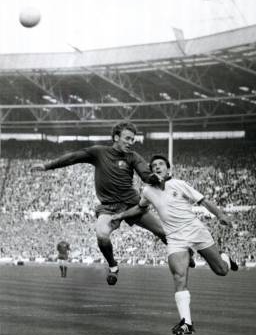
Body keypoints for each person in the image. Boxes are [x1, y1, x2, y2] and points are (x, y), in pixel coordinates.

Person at [31, 122, 192, 286]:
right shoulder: (99, 152)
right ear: (116, 137)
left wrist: (153, 178)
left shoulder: (132, 156)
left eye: (133, 139)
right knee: (101, 236)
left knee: (163, 232)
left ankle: (186, 254)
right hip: (108, 208)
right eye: (127, 138)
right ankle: (113, 266)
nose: (131, 142)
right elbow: (73, 157)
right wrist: (47, 166)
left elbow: (144, 173)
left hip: (132, 205)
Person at [111, 155, 238, 335]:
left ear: (168, 169)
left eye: (161, 164)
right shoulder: (147, 191)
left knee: (221, 270)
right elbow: (140, 208)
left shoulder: (179, 184)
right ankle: (186, 323)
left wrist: (220, 215)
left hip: (196, 231)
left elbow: (203, 201)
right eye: (153, 165)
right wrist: (120, 216)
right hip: (175, 238)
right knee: (179, 277)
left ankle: (224, 258)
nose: (157, 167)